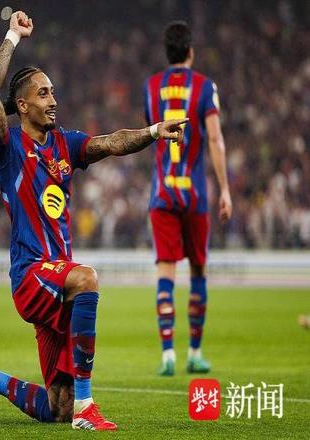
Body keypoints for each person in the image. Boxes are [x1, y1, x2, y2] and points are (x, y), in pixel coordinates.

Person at [0, 11, 186, 431]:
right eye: (43, 93)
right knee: (87, 278)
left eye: (54, 92)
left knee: (56, 408)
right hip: (31, 274)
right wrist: (12, 35)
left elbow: (112, 142)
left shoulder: (65, 144)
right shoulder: (8, 146)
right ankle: (87, 406)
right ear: (23, 105)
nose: (53, 101)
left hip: (57, 280)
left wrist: (155, 131)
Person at [142, 21, 232, 376]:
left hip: (162, 192)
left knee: (165, 271)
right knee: (197, 270)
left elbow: (153, 131)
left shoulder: (151, 86)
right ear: (191, 52)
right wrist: (225, 189)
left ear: (167, 53)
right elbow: (215, 139)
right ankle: (194, 352)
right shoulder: (206, 87)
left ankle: (168, 355)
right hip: (195, 195)